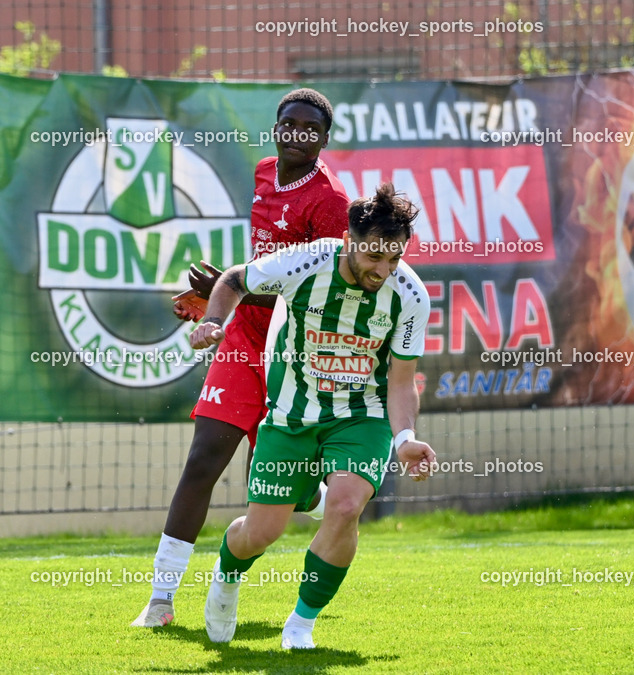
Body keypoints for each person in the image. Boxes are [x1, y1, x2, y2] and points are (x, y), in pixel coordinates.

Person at [132, 88, 350, 628]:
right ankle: (160, 601)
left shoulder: (331, 204)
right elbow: (260, 267)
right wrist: (221, 302)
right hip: (243, 341)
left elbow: (319, 294)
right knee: (204, 457)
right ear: (276, 127)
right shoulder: (262, 174)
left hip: (294, 351)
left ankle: (320, 497)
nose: (296, 133)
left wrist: (230, 292)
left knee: (275, 491)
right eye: (288, 123)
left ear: (324, 139)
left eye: (309, 128)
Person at [192, 182, 436, 650]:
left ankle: (300, 624)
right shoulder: (308, 262)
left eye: (393, 258)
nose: (383, 270)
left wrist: (404, 436)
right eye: (373, 258)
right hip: (290, 415)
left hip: (359, 416)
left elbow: (402, 382)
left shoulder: (410, 295)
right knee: (260, 533)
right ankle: (226, 576)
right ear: (349, 241)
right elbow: (233, 280)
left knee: (346, 508)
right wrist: (215, 322)